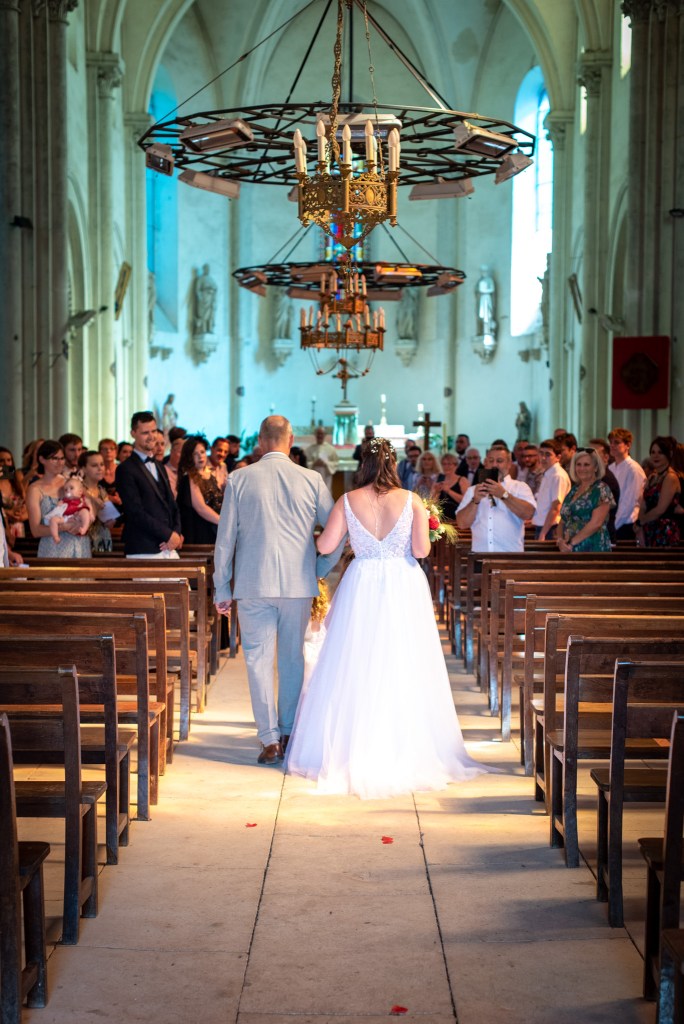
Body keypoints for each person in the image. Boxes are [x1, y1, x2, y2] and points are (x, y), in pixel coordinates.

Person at [286, 437, 487, 799]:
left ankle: (354, 745)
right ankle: (404, 745)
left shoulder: (347, 501)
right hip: (401, 582)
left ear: (363, 463)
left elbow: (326, 546)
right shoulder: (410, 500)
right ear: (394, 464)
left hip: (362, 581)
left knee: (356, 660)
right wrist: (427, 526)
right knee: (403, 659)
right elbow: (422, 550)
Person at [213, 415, 342, 765]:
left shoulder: (239, 479)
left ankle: (269, 740)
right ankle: (288, 731)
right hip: (297, 585)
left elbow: (225, 539)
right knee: (290, 659)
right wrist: (316, 570)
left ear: (260, 440)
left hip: (253, 583)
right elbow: (338, 532)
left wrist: (221, 586)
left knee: (256, 660)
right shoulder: (311, 478)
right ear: (290, 439)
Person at [115, 411, 182, 558]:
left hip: (168, 546)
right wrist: (168, 534)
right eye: (145, 432)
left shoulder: (159, 465)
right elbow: (135, 512)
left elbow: (171, 503)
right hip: (143, 548)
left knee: (182, 581)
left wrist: (176, 532)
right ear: (133, 433)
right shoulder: (125, 469)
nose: (151, 436)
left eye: (153, 431)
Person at [456, 445, 535, 552]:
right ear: (485, 463)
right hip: (480, 554)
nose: (494, 465)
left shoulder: (520, 487)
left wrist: (504, 495)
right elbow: (462, 524)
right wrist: (475, 501)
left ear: (509, 463)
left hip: (510, 555)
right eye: (491, 461)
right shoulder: (473, 490)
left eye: (499, 461)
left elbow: (528, 514)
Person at [26, 440, 92, 558]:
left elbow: (89, 505)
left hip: (79, 545)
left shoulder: (71, 482)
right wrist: (63, 528)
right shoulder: (35, 489)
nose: (60, 463)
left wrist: (82, 522)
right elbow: (35, 530)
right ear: (42, 459)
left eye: (62, 458)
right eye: (54, 458)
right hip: (53, 548)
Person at [557, 447, 614, 552]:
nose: (582, 468)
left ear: (596, 467)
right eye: (578, 464)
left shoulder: (601, 489)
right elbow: (563, 520)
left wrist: (571, 543)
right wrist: (560, 540)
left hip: (592, 547)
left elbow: (596, 523)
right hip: (568, 548)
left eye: (586, 464)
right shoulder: (574, 490)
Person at [176, 435, 223, 544]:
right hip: (199, 531)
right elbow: (200, 508)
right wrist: (224, 522)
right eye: (195, 454)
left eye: (202, 452)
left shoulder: (210, 475)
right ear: (189, 457)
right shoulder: (189, 477)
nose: (200, 456)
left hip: (213, 528)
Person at [638, 435, 681, 547]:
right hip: (648, 528)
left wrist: (641, 521)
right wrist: (639, 525)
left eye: (660, 452)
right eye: (652, 452)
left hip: (665, 531)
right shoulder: (652, 477)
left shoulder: (670, 477)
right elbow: (643, 505)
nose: (655, 456)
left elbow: (661, 509)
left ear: (669, 454)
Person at [608, 428, 646, 541]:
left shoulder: (633, 469)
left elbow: (629, 502)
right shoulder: (610, 468)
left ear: (627, 445)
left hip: (626, 524)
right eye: (611, 442)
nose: (612, 445)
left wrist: (613, 527)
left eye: (617, 442)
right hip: (611, 522)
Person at [79, 449, 119, 552]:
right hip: (82, 541)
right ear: (83, 468)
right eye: (94, 465)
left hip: (102, 540)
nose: (100, 468)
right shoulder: (76, 489)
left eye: (102, 464)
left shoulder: (102, 490)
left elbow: (106, 518)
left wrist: (111, 520)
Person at [531, 439, 571, 540]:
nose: (543, 458)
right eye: (541, 453)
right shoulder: (548, 473)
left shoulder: (558, 476)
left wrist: (543, 533)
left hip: (552, 528)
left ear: (558, 457)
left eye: (548, 454)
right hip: (544, 526)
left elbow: (556, 507)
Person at [42, 474, 92, 544]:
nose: (68, 491)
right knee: (53, 520)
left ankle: (84, 528)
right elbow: (59, 509)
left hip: (77, 513)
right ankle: (55, 536)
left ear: (80, 491)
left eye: (71, 488)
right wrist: (59, 505)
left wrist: (91, 513)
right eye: (66, 490)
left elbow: (90, 506)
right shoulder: (64, 500)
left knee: (85, 512)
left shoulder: (82, 499)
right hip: (66, 517)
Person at [306, 426, 339, 493]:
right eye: (318, 433)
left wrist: (326, 463)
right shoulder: (309, 449)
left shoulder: (331, 449)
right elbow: (304, 463)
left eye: (321, 434)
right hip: (313, 477)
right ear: (315, 434)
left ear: (325, 435)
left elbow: (336, 462)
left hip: (326, 477)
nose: (320, 435)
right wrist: (313, 463)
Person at [431, 451, 462, 519]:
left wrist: (448, 491)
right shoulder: (437, 479)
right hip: (441, 518)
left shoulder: (462, 480)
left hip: (458, 518)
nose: (446, 467)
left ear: (456, 465)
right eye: (444, 464)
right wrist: (437, 492)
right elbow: (432, 503)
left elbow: (466, 501)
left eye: (449, 464)